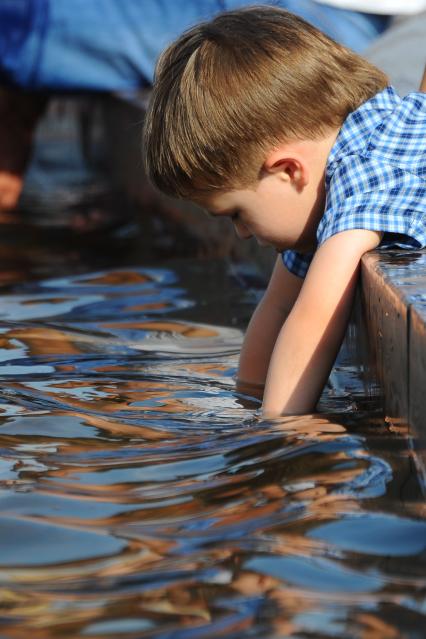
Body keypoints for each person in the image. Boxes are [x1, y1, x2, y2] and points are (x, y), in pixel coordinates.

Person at [142, 6, 426, 418]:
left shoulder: (366, 169)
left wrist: (280, 434)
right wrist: (248, 398)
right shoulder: (318, 187)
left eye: (236, 213)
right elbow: (276, 307)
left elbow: (315, 316)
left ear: (289, 170)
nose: (239, 233)